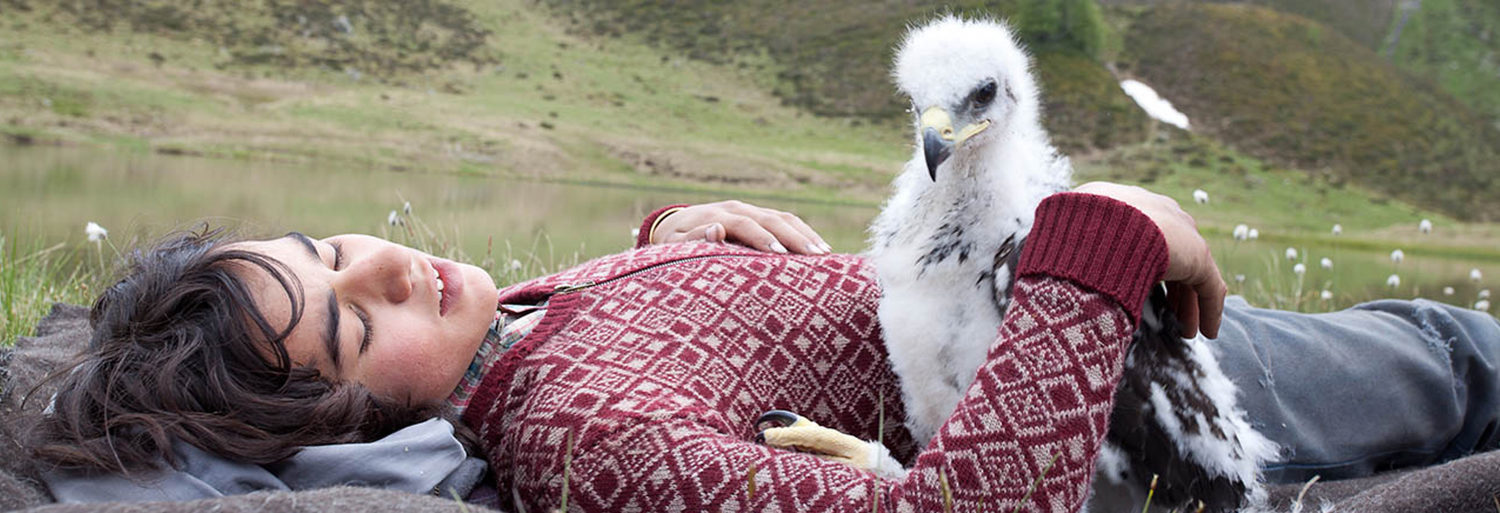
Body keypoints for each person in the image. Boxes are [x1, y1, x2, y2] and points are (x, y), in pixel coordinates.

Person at [27, 183, 1500, 512]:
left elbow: (666, 330)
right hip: (1116, 379)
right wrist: (1101, 242)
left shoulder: (515, 329)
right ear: (353, 420)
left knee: (1449, 348)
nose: (395, 265)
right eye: (363, 316)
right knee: (1448, 363)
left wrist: (683, 229)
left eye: (338, 246)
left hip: (1033, 312)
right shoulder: (586, 434)